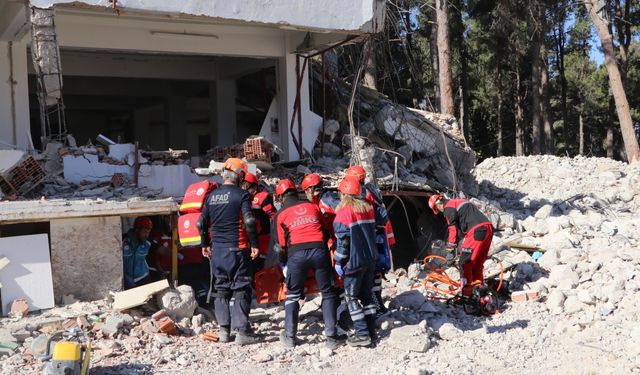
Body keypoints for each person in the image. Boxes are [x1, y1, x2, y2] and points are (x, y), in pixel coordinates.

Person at [273, 178, 343, 349]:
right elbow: (326, 230)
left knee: (292, 295)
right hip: (319, 250)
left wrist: (284, 266)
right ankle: (332, 338)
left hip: (296, 255)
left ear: (281, 197)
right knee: (327, 293)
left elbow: (280, 247)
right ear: (297, 192)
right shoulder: (312, 207)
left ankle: (289, 337)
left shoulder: (280, 214)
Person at [198, 158, 260, 345]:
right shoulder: (241, 195)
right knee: (241, 288)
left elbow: (201, 223)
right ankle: (242, 333)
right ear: (240, 175)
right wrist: (255, 244)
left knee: (220, 289)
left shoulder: (211, 196)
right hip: (238, 249)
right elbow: (249, 221)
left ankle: (224, 331)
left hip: (218, 251)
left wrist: (204, 244)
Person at [333, 176, 383, 347]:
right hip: (371, 259)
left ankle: (362, 335)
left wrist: (338, 261)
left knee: (351, 297)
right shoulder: (368, 208)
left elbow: (344, 243)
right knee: (367, 295)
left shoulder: (343, 213)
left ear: (344, 194)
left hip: (354, 262)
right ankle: (371, 331)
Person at [345, 165, 391, 317]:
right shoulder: (372, 190)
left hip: (367, 235)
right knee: (376, 272)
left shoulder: (361, 193)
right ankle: (379, 306)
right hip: (378, 235)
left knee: (369, 274)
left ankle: (374, 309)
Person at [428, 194, 494, 298]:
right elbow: (462, 228)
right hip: (488, 228)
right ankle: (480, 292)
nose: (440, 212)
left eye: (437, 209)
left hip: (476, 230)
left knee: (465, 263)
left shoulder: (448, 209)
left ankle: (467, 294)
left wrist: (450, 251)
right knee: (477, 263)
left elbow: (453, 230)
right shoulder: (458, 201)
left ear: (438, 206)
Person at [242, 172, 275, 273]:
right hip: (249, 238)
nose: (244, 188)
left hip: (263, 237)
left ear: (254, 186)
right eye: (243, 185)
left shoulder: (263, 197)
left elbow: (274, 216)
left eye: (246, 185)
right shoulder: (243, 199)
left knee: (263, 265)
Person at [123, 217, 153, 289]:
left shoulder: (147, 244)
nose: (147, 235)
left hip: (144, 279)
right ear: (137, 230)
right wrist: (124, 276)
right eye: (145, 232)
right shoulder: (123, 242)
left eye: (148, 232)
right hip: (126, 281)